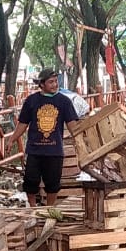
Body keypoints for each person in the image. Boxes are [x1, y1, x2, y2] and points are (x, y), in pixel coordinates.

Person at [10, 68, 81, 206]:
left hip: (55, 150)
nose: (55, 84)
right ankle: (33, 208)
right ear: (42, 84)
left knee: (53, 183)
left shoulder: (64, 102)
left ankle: (49, 208)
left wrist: (81, 140)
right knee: (30, 182)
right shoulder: (31, 101)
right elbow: (23, 123)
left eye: (56, 81)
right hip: (34, 150)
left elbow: (73, 125)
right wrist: (12, 139)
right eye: (51, 82)